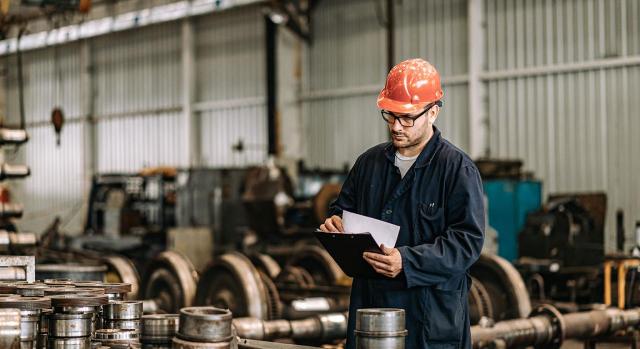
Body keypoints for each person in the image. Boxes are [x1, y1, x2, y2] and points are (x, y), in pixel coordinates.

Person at [319, 58, 485, 348]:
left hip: (429, 318)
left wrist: (406, 262)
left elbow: (467, 242)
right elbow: (341, 211)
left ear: (432, 113)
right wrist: (336, 224)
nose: (396, 126)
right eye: (390, 115)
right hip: (371, 309)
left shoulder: (456, 170)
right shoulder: (368, 164)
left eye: (407, 118)